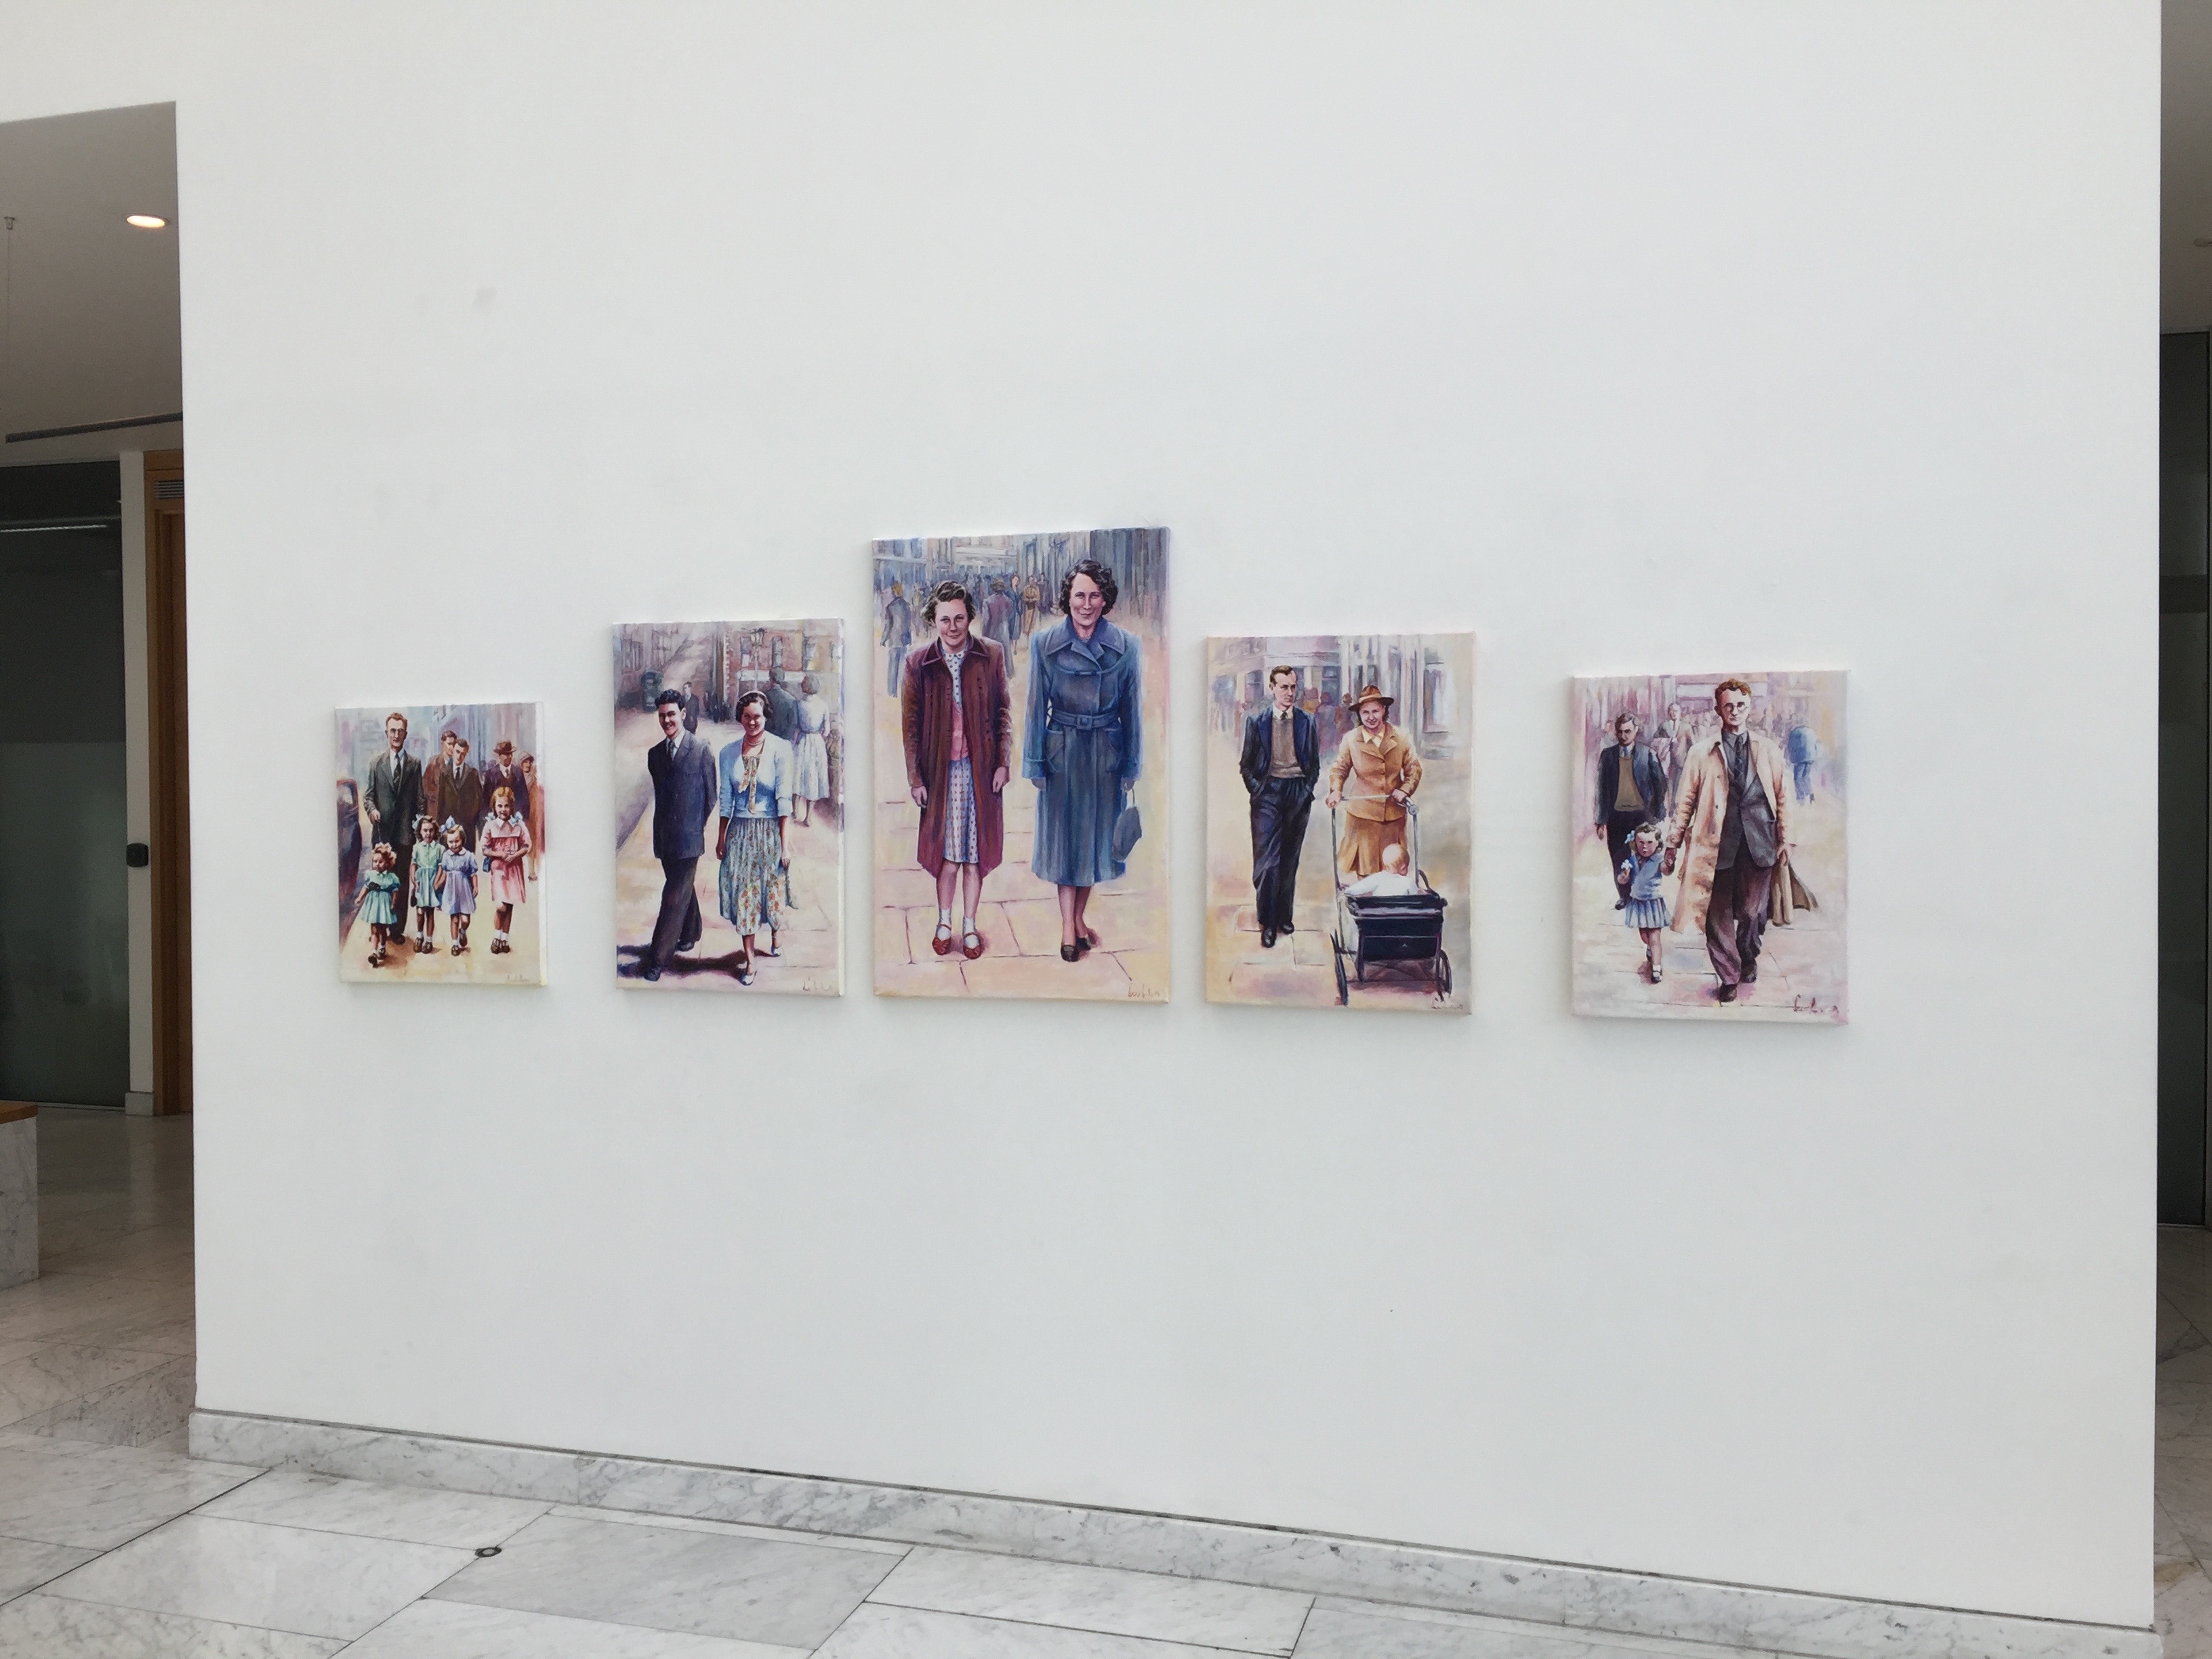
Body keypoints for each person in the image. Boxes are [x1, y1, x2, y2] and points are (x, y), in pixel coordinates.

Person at [1024, 560, 1141, 961]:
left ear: (1105, 599)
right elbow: (1035, 707)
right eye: (1079, 595)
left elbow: (1132, 710)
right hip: (1062, 753)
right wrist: (1034, 762)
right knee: (1064, 844)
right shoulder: (1044, 644)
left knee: (1094, 844)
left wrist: (1132, 764)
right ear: (1068, 599)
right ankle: (1067, 929)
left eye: (1094, 595)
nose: (1086, 604)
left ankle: (1078, 919)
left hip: (1106, 755)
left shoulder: (1127, 646)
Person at [1665, 678, 1793, 1003]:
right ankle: (1729, 976)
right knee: (1717, 915)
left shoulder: (1768, 750)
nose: (1734, 711)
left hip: (1759, 844)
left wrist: (1786, 839)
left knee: (1751, 912)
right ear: (1718, 710)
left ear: (1749, 708)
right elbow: (1685, 802)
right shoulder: (1701, 753)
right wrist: (1672, 844)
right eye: (1728, 706)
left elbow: (1783, 797)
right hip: (1716, 845)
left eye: (1740, 706)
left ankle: (1748, 955)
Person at [903, 581, 1012, 961]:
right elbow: (911, 726)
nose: (953, 627)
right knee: (947, 856)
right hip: (941, 774)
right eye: (945, 619)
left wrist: (1003, 762)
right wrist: (916, 779)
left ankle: (969, 925)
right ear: (933, 620)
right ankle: (943, 922)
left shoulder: (991, 654)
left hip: (979, 771)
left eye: (960, 619)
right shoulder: (918, 662)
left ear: (970, 618)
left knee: (974, 854)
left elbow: (1003, 712)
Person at [715, 691, 794, 985]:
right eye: (746, 717)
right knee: (745, 895)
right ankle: (750, 960)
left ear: (766, 717)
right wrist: (721, 837)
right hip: (740, 834)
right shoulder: (728, 754)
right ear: (740, 718)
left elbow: (784, 800)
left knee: (771, 892)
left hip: (771, 831)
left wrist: (785, 845)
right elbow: (726, 798)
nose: (752, 722)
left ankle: (775, 932)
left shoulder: (781, 749)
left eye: (757, 716)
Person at [1238, 664, 1319, 949]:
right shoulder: (1256, 722)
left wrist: (1307, 789)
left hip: (1297, 792)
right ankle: (1268, 922)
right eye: (1284, 687)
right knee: (1267, 864)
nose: (1290, 693)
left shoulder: (1307, 722)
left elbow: (1314, 764)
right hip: (1268, 794)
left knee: (1289, 860)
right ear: (1272, 688)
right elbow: (1246, 765)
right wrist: (1258, 790)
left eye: (1293, 687)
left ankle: (1284, 916)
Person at [641, 687, 717, 982]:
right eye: (662, 716)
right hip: (665, 837)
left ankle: (657, 958)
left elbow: (711, 797)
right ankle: (691, 931)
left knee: (673, 896)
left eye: (672, 714)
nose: (667, 721)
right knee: (682, 888)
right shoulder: (654, 755)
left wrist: (694, 826)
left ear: (683, 714)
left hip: (689, 838)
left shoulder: (701, 750)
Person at [1324, 687, 1421, 877]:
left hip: (1393, 814)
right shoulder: (1351, 739)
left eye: (1375, 711)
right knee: (1365, 870)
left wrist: (1405, 790)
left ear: (1384, 710)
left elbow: (1414, 769)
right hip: (1363, 815)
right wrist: (1336, 790)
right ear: (1359, 715)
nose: (1371, 717)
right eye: (1365, 713)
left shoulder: (1401, 737)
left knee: (1393, 870)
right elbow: (1339, 769)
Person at [1592, 713, 1666, 907]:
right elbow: (1601, 789)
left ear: (1636, 731)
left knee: (1643, 856)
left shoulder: (1648, 754)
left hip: (1641, 816)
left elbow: (1660, 785)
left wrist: (1658, 813)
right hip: (1616, 817)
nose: (1623, 736)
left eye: (1628, 731)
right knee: (1619, 857)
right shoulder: (1607, 756)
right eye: (1620, 732)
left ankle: (1640, 894)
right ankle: (1624, 897)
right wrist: (1600, 820)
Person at [362, 712, 422, 882]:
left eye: (400, 731)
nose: (396, 735)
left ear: (406, 734)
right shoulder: (376, 764)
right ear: (386, 733)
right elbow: (368, 796)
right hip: (383, 836)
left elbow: (420, 800)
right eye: (393, 731)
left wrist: (419, 829)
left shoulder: (414, 764)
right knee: (382, 883)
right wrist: (372, 810)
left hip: (405, 836)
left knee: (402, 884)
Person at [479, 785, 532, 956]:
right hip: (499, 870)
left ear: (512, 806)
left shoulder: (518, 825)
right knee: (501, 906)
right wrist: (499, 854)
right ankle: (496, 936)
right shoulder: (491, 825)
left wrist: (515, 855)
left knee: (509, 905)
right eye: (500, 806)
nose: (503, 809)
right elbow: (484, 848)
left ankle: (504, 939)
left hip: (514, 868)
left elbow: (527, 845)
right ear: (494, 807)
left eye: (507, 806)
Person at [1617, 820, 1670, 983]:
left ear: (1658, 844)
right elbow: (1622, 880)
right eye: (1641, 843)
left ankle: (1656, 968)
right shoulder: (1632, 860)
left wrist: (1670, 863)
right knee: (1644, 935)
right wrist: (1624, 877)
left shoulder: (1659, 860)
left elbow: (1667, 870)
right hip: (1638, 903)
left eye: (1650, 843)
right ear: (1635, 843)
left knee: (1654, 937)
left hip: (1653, 903)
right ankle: (1649, 948)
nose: (1645, 847)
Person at [792, 674, 832, 827]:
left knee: (798, 776)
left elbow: (795, 727)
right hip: (817, 743)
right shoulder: (823, 705)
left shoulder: (798, 704)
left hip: (802, 740)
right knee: (813, 779)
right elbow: (827, 732)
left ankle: (795, 811)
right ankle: (808, 817)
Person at [435, 819, 477, 954]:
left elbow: (473, 873)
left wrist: (475, 887)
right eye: (451, 842)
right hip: (451, 890)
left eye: (457, 841)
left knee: (465, 919)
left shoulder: (468, 856)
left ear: (462, 840)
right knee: (454, 918)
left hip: (464, 890)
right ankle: (454, 944)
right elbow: (445, 872)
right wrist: (438, 884)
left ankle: (463, 931)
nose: (454, 845)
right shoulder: (446, 856)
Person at [438, 735, 484, 851]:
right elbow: (440, 801)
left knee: (467, 858)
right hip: (449, 827)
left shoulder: (472, 773)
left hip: (467, 827)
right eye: (458, 752)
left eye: (463, 754)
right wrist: (442, 824)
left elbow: (479, 800)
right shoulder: (444, 773)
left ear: (466, 754)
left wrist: (471, 819)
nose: (459, 756)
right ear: (453, 750)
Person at [360, 842, 401, 968]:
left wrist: (393, 903)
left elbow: (395, 891)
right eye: (375, 861)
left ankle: (382, 947)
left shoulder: (391, 877)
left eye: (381, 862)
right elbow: (366, 888)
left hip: (384, 905)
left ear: (387, 863)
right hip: (373, 905)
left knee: (382, 929)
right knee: (374, 929)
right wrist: (360, 898)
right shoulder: (371, 875)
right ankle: (374, 951)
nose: (377, 864)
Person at [408, 812, 443, 954]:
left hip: (432, 883)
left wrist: (437, 882)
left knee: (430, 912)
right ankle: (419, 936)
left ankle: (429, 940)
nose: (428, 834)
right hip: (421, 883)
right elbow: (413, 865)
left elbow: (441, 867)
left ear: (435, 831)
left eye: (431, 830)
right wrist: (414, 880)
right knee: (420, 911)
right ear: (420, 832)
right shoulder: (417, 848)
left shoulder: (439, 849)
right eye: (425, 830)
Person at [479, 739, 530, 834]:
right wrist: (488, 819)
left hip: (515, 821)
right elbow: (486, 800)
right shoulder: (491, 774)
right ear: (499, 756)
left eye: (511, 754)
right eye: (506, 754)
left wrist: (523, 818)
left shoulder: (518, 772)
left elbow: (524, 798)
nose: (509, 757)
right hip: (497, 822)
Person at [1343, 842, 1416, 898]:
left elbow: (1354, 890)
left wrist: (1347, 890)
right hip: (1401, 913)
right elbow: (1416, 901)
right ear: (1404, 868)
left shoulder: (1379, 878)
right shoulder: (1409, 882)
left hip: (1380, 912)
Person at [882, 582, 914, 696]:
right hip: (905, 640)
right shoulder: (907, 606)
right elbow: (908, 624)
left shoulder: (890, 607)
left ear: (894, 592)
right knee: (902, 667)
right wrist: (909, 638)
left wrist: (884, 639)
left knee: (893, 666)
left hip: (894, 640)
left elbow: (888, 626)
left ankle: (892, 692)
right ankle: (902, 691)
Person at [518, 752, 545, 880]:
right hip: (519, 815)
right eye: (525, 762)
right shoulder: (517, 778)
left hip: (532, 816)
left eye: (529, 762)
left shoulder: (534, 779)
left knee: (532, 843)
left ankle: (531, 871)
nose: (528, 765)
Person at [1786, 717, 1821, 802]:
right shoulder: (1812, 732)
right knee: (1806, 777)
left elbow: (1791, 746)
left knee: (1797, 778)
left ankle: (1801, 797)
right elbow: (1817, 744)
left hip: (1800, 757)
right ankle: (1810, 793)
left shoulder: (1795, 732)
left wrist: (1791, 758)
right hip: (1811, 757)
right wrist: (1815, 755)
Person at [764, 670, 800, 742]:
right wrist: (787, 739)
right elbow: (794, 723)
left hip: (767, 738)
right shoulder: (791, 700)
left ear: (770, 679)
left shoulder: (764, 697)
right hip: (784, 739)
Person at [983, 578, 1016, 650]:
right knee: (1005, 654)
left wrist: (984, 635)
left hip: (992, 633)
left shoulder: (988, 601)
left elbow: (986, 621)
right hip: (1004, 633)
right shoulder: (1009, 601)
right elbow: (1010, 618)